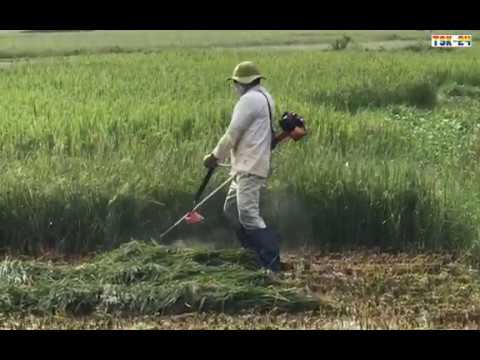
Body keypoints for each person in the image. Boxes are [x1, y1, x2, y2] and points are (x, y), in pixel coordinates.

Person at [203, 61, 281, 272]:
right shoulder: (265, 97)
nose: (235, 88)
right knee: (231, 209)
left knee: (247, 214)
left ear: (241, 83)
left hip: (250, 166)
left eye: (235, 83)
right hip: (246, 165)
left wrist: (214, 156)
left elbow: (232, 134)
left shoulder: (248, 100)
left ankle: (270, 262)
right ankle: (252, 253)